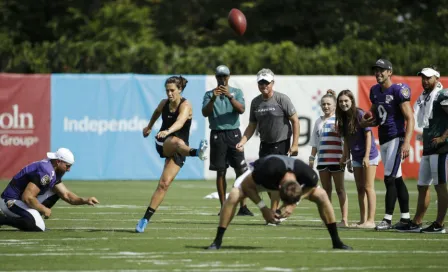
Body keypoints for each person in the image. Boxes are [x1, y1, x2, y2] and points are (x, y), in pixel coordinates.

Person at [206, 155, 352, 250]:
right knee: (233, 195)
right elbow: (247, 186)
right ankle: (217, 241)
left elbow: (312, 187)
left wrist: (293, 205)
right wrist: (263, 209)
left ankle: (336, 241)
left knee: (322, 195)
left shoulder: (307, 174)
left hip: (285, 179)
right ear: (279, 188)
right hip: (257, 178)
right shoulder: (267, 170)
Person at [136, 75, 208, 233]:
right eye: (167, 90)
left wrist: (168, 130)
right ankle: (197, 152)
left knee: (164, 184)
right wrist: (149, 127)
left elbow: (181, 122)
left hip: (181, 148)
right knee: (175, 142)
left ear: (180, 90)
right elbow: (156, 112)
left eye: (172, 90)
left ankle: (145, 219)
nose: (169, 93)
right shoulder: (164, 103)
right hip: (163, 143)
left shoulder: (186, 105)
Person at [361, 59, 414, 230]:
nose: (378, 73)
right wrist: (366, 120)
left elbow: (410, 118)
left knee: (389, 178)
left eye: (382, 70)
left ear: (390, 72)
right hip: (383, 137)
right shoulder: (375, 90)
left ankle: (387, 219)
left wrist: (406, 142)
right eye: (376, 70)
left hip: (396, 137)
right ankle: (405, 219)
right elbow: (375, 114)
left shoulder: (398, 90)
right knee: (397, 179)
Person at [237, 68, 300, 212]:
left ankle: (274, 212)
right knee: (267, 179)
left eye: (266, 82)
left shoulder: (282, 99)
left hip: (281, 144)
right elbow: (252, 125)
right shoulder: (255, 102)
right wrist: (242, 141)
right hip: (264, 145)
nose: (264, 85)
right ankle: (277, 209)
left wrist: (295, 144)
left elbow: (295, 121)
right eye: (261, 83)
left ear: (273, 83)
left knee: (278, 178)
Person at [397, 66, 448, 233]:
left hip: (440, 148)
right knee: (422, 185)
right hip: (428, 147)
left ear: (437, 78)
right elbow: (417, 117)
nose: (425, 81)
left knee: (440, 186)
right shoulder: (424, 97)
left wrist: (442, 138)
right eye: (423, 78)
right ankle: (417, 221)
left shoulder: (442, 95)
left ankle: (439, 224)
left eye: (428, 78)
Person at [0, 148, 99, 231]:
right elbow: (27, 197)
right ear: (58, 161)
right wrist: (43, 209)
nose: (69, 169)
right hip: (10, 200)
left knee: (56, 192)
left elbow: (66, 195)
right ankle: (2, 219)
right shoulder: (46, 171)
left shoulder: (53, 169)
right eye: (67, 166)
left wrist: (85, 200)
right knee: (37, 226)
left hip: (20, 200)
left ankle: (33, 218)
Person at [202, 65, 253, 216]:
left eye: (224, 76)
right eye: (219, 76)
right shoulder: (209, 94)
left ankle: (243, 206)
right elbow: (205, 112)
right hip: (217, 134)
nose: (222, 79)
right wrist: (213, 98)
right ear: (216, 77)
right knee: (220, 171)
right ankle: (224, 206)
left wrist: (229, 96)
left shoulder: (236, 92)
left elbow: (241, 109)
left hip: (233, 134)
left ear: (229, 77)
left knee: (241, 171)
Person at [336, 90, 378, 229]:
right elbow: (347, 140)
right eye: (341, 101)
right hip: (356, 157)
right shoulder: (342, 117)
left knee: (368, 187)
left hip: (368, 155)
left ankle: (371, 221)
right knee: (360, 189)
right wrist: (347, 158)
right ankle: (362, 220)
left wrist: (366, 156)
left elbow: (368, 136)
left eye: (346, 101)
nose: (343, 103)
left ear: (352, 101)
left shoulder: (360, 114)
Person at [309, 89, 348, 227]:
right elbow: (315, 141)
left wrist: (346, 158)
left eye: (328, 104)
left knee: (340, 190)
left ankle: (344, 220)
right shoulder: (318, 121)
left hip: (337, 160)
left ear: (335, 106)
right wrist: (312, 157)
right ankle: (329, 219)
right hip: (323, 161)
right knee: (326, 192)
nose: (326, 106)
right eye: (323, 104)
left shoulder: (339, 120)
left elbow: (345, 140)